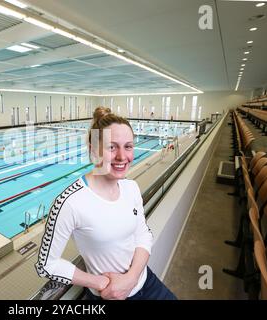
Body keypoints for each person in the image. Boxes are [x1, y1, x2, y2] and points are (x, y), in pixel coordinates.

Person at [35, 107, 177, 300]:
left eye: (128, 146)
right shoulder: (69, 202)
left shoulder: (131, 187)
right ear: (93, 150)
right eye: (112, 147)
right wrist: (99, 283)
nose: (121, 156)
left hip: (146, 282)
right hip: (108, 296)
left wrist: (131, 278)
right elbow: (46, 264)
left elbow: (143, 234)